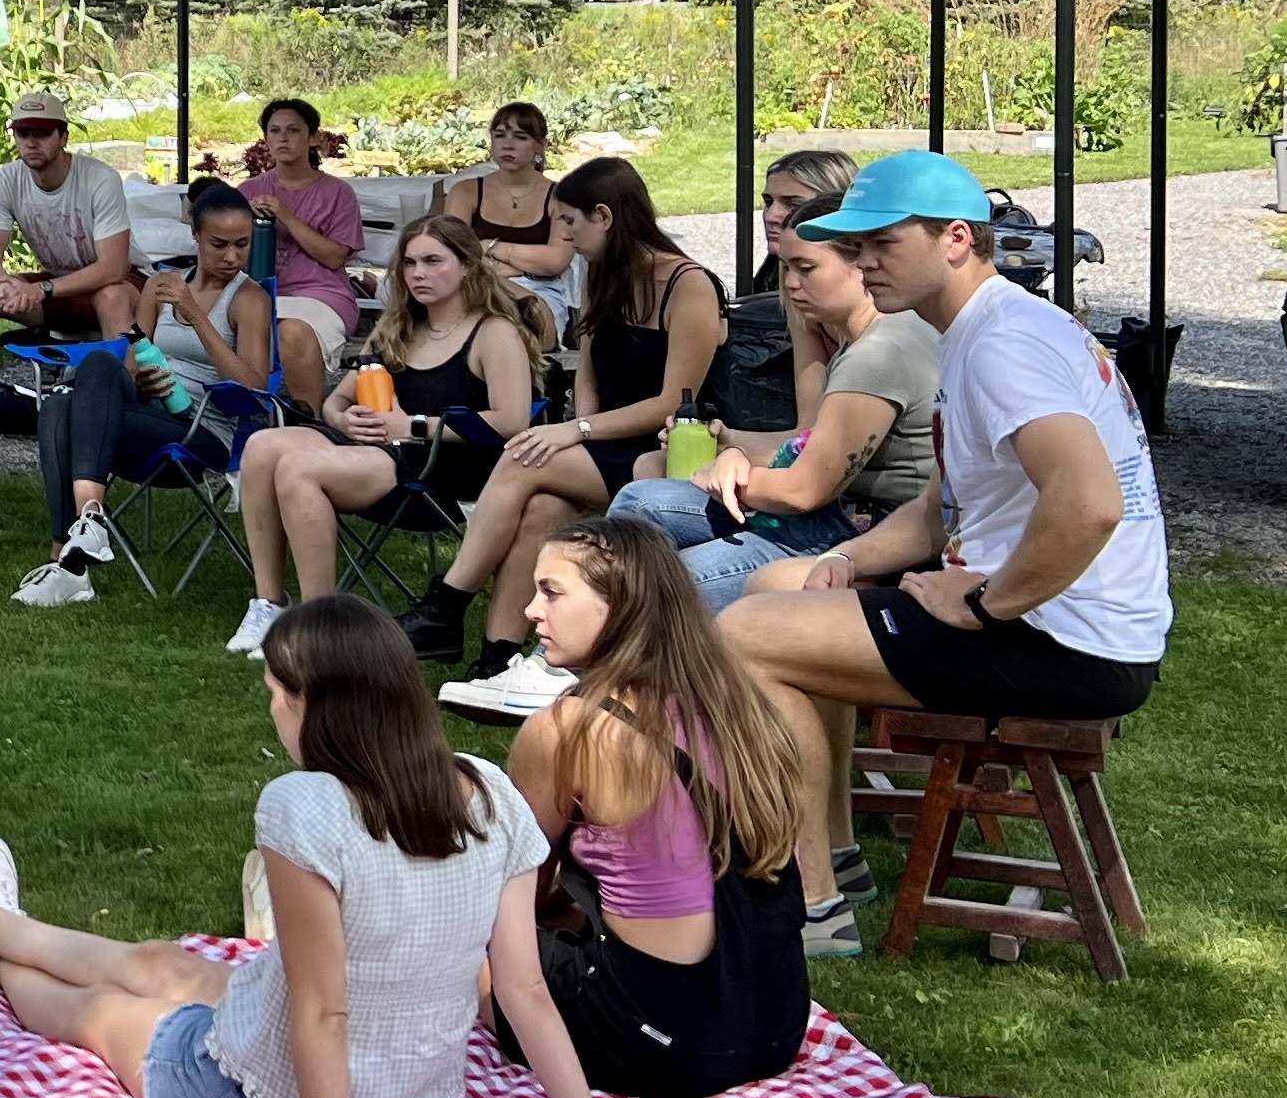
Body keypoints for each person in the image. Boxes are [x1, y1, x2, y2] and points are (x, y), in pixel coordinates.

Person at [0, 597, 689, 1098]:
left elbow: (322, 1011)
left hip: (265, 1096)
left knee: (93, 1012)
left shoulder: (306, 809)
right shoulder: (485, 789)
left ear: (316, 706)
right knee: (162, 962)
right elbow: (524, 990)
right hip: (410, 1081)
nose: (271, 711)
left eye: (276, 695)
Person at [716, 153, 1171, 961]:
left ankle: (811, 906)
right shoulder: (986, 327)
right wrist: (852, 560)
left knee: (748, 634)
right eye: (853, 248)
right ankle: (841, 860)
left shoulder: (1003, 348)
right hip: (1078, 625)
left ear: (957, 239)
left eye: (881, 245)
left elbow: (1090, 502)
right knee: (783, 587)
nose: (862, 264)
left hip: (1062, 639)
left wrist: (986, 603)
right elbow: (943, 504)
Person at [497, 513, 813, 1098]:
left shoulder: (568, 729)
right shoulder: (739, 707)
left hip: (657, 1045)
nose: (530, 612)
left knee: (466, 944)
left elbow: (515, 896)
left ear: (619, 607)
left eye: (551, 592)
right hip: (774, 1026)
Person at [400, 157, 723, 715]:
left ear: (604, 216)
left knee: (525, 457)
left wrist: (577, 431)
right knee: (542, 508)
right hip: (605, 440)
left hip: (669, 449)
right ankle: (498, 662)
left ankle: (447, 605)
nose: (564, 237)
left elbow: (676, 402)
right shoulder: (604, 275)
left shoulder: (687, 284)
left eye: (570, 222)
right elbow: (590, 372)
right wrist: (581, 432)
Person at [229, 211, 540, 655]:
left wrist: (411, 425)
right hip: (380, 451)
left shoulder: (493, 332)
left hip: (445, 469)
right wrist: (341, 419)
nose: (418, 274)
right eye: (410, 264)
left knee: (300, 469)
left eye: (433, 261)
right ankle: (269, 604)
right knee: (262, 446)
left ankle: (321, 625)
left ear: (468, 265)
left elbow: (512, 421)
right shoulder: (400, 326)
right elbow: (337, 401)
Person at [607, 210, 939, 609]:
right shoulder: (868, 338)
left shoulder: (878, 355)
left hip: (866, 536)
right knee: (640, 501)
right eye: (786, 267)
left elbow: (803, 492)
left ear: (859, 268)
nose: (791, 283)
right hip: (839, 516)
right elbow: (809, 442)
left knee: (662, 585)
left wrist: (731, 476)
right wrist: (730, 447)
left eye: (806, 268)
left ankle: (601, 646)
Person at [21, 177, 271, 609]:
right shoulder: (158, 286)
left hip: (202, 430)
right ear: (195, 236)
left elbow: (254, 389)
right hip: (148, 413)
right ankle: (87, 529)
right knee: (91, 373)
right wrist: (141, 381)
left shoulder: (248, 300)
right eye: (219, 244)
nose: (232, 256)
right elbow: (134, 361)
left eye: (242, 244)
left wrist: (196, 317)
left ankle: (70, 557)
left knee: (65, 407)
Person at [698, 148, 866, 449]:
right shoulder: (801, 297)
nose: (772, 215)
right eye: (767, 202)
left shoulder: (884, 321)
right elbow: (807, 430)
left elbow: (819, 450)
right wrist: (719, 440)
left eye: (792, 203)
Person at [0, 91, 138, 350]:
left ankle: (123, 380)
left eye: (41, 133)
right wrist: (6, 284)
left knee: (112, 295)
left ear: (63, 137)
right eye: (22, 133)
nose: (30, 142)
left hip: (124, 283)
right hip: (58, 285)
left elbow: (113, 268)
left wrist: (41, 288)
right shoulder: (5, 179)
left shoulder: (100, 179)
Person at [242, 99, 365, 413]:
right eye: (275, 131)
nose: (283, 138)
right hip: (259, 293)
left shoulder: (337, 193)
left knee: (292, 330)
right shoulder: (247, 190)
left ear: (313, 138)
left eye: (294, 130)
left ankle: (308, 420)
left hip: (320, 295)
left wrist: (286, 215)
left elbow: (335, 258)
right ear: (266, 139)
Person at [438, 103, 576, 312]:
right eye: (500, 135)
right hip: (475, 286)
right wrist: (520, 264)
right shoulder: (465, 192)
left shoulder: (560, 197)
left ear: (541, 145)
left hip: (539, 291)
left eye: (520, 137)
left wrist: (489, 247)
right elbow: (454, 252)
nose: (508, 145)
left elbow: (556, 260)